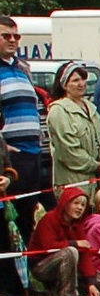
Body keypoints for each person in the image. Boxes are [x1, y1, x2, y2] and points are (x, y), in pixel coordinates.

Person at [0, 15, 49, 240]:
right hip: (11, 156)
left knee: (28, 214)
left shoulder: (23, 69)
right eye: (6, 36)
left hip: (33, 153)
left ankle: (24, 267)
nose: (12, 40)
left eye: (16, 36)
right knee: (11, 218)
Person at [29, 186, 100, 296]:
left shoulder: (78, 225)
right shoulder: (49, 219)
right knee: (70, 252)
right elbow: (48, 246)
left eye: (83, 205)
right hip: (42, 265)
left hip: (68, 264)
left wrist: (91, 282)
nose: (79, 208)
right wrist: (75, 244)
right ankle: (68, 294)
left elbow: (85, 255)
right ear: (65, 203)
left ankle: (77, 289)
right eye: (76, 203)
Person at [47, 64, 100, 193]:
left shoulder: (91, 108)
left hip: (97, 180)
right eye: (75, 80)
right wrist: (93, 165)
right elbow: (68, 150)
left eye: (83, 79)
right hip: (74, 181)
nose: (81, 84)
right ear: (64, 85)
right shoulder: (59, 111)